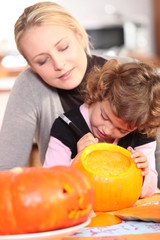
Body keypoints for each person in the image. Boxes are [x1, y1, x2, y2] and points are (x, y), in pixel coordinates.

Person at [0, 1, 108, 169]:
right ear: (32, 66)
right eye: (42, 61)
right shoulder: (29, 85)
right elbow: (6, 171)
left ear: (79, 35)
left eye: (63, 48)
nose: (58, 64)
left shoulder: (129, 71)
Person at [44, 59, 160, 198]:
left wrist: (143, 173)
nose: (107, 130)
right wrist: (77, 162)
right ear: (101, 91)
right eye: (105, 117)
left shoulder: (142, 130)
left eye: (122, 130)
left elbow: (150, 190)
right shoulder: (65, 127)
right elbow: (50, 184)